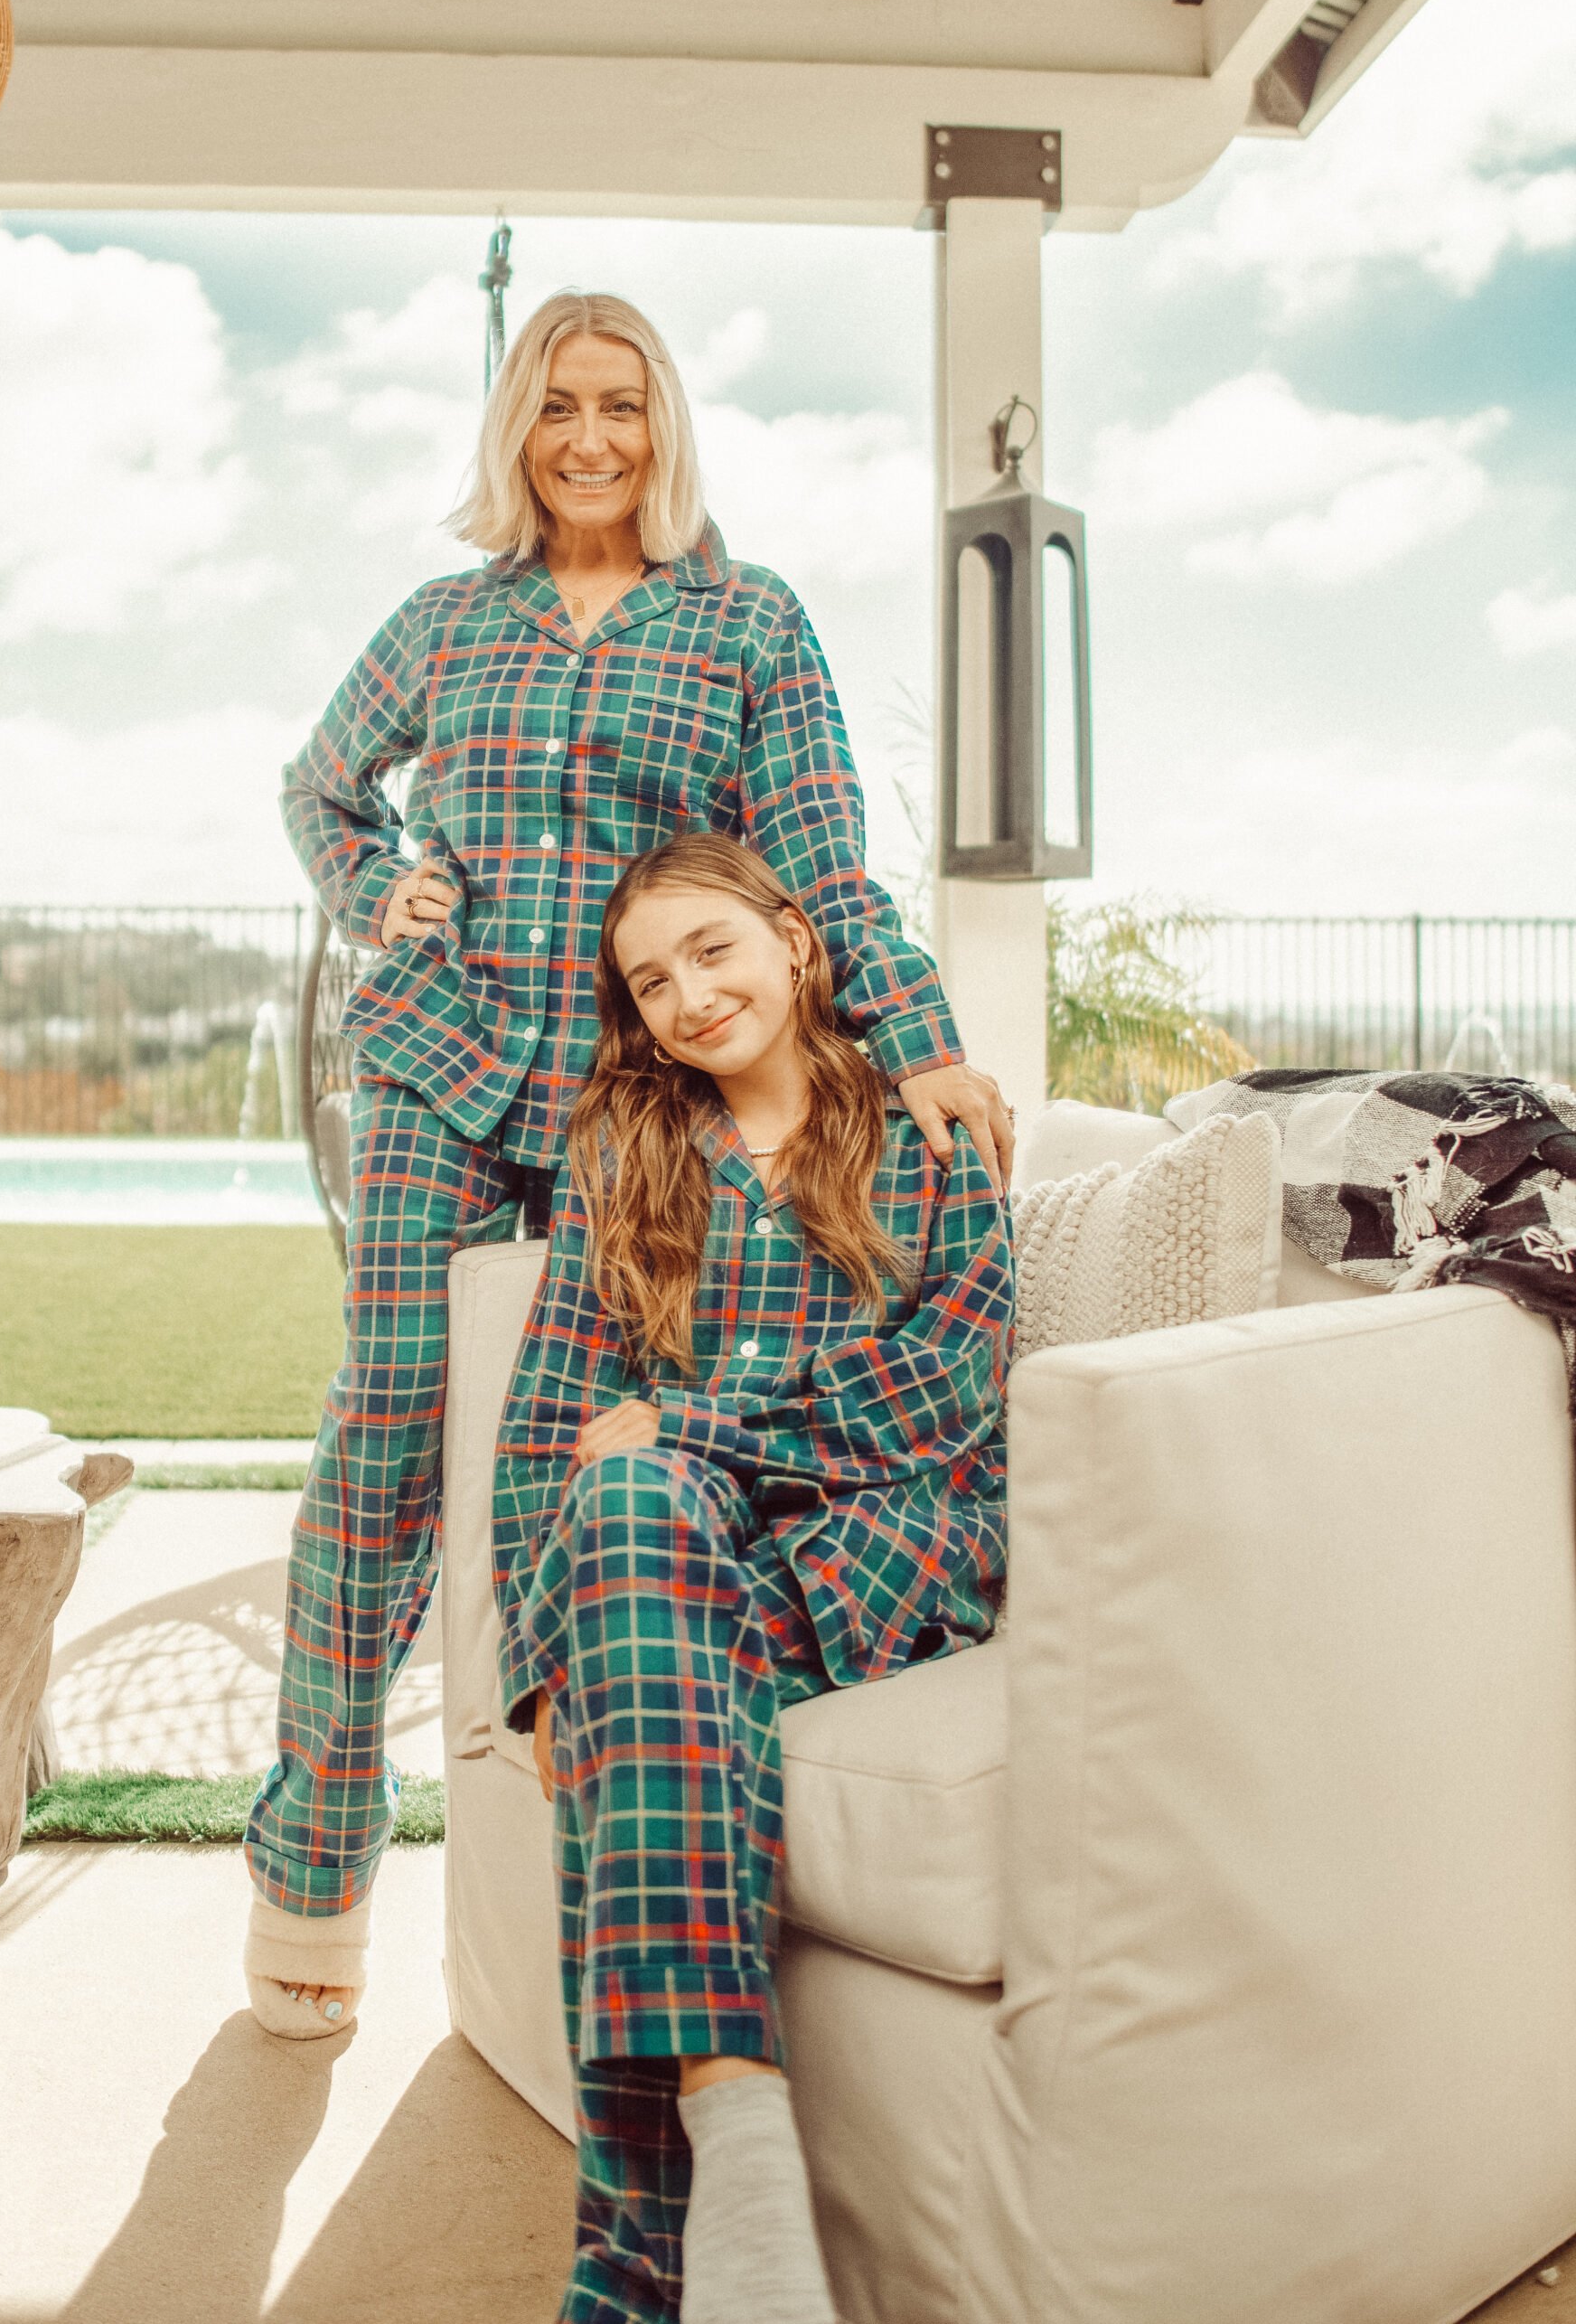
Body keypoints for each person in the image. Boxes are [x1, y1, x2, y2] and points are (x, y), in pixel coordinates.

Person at [243, 290, 1014, 2034]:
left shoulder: (746, 622)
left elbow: (815, 862)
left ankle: (567, 1731)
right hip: (441, 1071)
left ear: (665, 429)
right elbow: (319, 787)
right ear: (516, 430)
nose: (590, 439)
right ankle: (314, 1871)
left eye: (624, 407)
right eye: (556, 407)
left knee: (591, 1429)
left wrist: (921, 1046)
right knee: (382, 1440)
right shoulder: (446, 624)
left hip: (634, 1103)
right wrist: (381, 892)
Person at [492, 832, 1013, 2324]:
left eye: (712, 950)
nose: (687, 996)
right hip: (687, 1550)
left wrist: (694, 1423)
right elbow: (553, 1425)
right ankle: (745, 2134)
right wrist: (543, 1662)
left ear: (792, 938)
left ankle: (638, 2269)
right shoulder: (631, 1157)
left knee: (646, 1507)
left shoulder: (927, 1126)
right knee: (631, 1517)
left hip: (888, 1551)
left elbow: (943, 1391)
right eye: (650, 982)